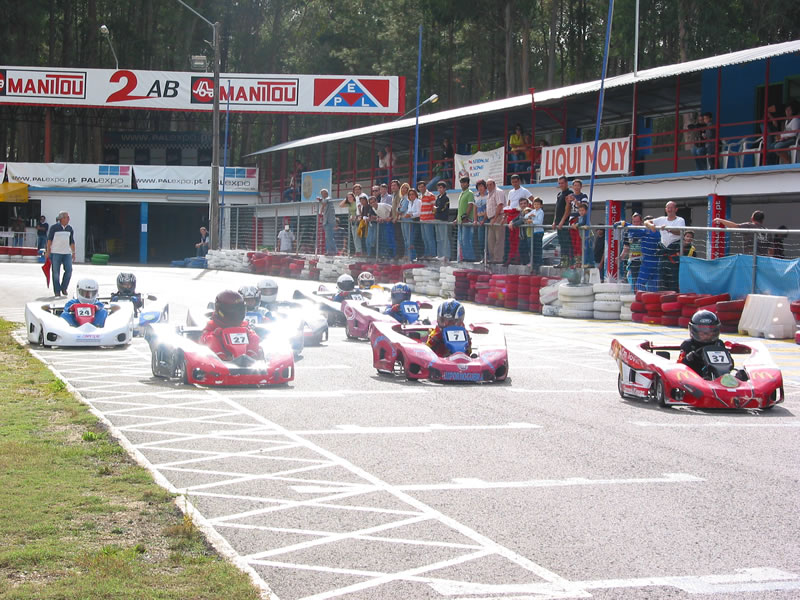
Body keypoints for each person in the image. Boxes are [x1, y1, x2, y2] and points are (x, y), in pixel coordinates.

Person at [200, 290, 262, 360]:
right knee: (211, 338)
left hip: (246, 357)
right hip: (221, 357)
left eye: (238, 308)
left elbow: (253, 334)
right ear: (220, 309)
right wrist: (215, 333)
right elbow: (203, 338)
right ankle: (221, 358)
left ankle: (251, 357)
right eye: (231, 309)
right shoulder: (213, 324)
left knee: (254, 336)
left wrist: (248, 332)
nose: (235, 312)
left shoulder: (243, 324)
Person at [645, 201, 685, 292]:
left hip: (674, 254)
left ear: (676, 209)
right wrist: (651, 225)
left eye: (671, 208)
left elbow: (681, 232)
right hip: (663, 255)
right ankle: (663, 300)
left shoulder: (680, 220)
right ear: (665, 209)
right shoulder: (661, 219)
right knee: (662, 279)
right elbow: (646, 221)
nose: (669, 210)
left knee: (673, 279)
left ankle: (673, 300)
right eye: (668, 208)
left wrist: (668, 229)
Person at [678, 309, 725, 376]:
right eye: (702, 331)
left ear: (715, 331)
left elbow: (729, 365)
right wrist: (690, 357)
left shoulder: (719, 344)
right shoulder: (688, 344)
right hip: (693, 377)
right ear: (694, 330)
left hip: (717, 376)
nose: (706, 334)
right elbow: (680, 366)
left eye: (710, 331)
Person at [46, 210, 76, 297]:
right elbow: (49, 240)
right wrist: (48, 251)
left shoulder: (69, 228)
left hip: (67, 253)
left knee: (69, 270)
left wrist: (73, 252)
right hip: (56, 253)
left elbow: (72, 241)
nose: (68, 219)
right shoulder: (54, 228)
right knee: (56, 272)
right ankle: (57, 290)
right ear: (62, 218)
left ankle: (64, 287)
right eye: (67, 217)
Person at [636, 215, 662, 291]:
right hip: (657, 260)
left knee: (640, 283)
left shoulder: (648, 232)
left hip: (648, 260)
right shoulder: (658, 232)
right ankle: (652, 300)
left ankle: (643, 299)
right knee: (653, 284)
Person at [619, 213, 645, 287]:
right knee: (634, 280)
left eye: (637, 222)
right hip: (633, 260)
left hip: (644, 260)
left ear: (641, 221)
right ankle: (636, 294)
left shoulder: (645, 230)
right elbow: (626, 247)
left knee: (643, 280)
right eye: (634, 222)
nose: (636, 224)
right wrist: (621, 257)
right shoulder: (628, 231)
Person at [553, 176, 573, 267]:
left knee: (566, 243)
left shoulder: (569, 193)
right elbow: (557, 209)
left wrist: (562, 221)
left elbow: (568, 209)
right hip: (558, 222)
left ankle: (567, 262)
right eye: (559, 183)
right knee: (561, 243)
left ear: (566, 183)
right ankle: (562, 261)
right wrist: (554, 221)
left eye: (562, 183)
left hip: (564, 223)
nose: (561, 185)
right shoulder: (559, 194)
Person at [485, 179, 506, 264]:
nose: (489, 186)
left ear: (494, 184)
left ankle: (498, 259)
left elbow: (500, 205)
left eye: (490, 184)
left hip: (499, 217)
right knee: (491, 240)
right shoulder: (488, 194)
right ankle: (492, 258)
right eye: (487, 185)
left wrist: (495, 218)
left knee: (499, 239)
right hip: (491, 218)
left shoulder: (498, 192)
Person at [455, 176, 475, 262]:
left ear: (468, 184)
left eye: (464, 182)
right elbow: (460, 208)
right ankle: (463, 257)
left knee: (466, 239)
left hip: (467, 220)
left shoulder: (470, 193)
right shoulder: (461, 193)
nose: (462, 184)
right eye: (461, 182)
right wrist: (457, 219)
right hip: (460, 221)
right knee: (461, 241)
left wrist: (465, 216)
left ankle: (469, 258)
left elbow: (470, 205)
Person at [509, 196, 532, 265]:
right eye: (521, 204)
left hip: (528, 235)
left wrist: (513, 224)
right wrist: (511, 222)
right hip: (522, 236)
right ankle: (524, 265)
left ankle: (529, 264)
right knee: (521, 250)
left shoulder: (529, 212)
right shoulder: (521, 212)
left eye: (524, 203)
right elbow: (517, 218)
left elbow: (522, 220)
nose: (523, 205)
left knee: (529, 251)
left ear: (528, 204)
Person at [418, 180, 437, 259]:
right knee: (424, 238)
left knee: (430, 238)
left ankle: (432, 254)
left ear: (425, 187)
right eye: (419, 187)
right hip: (422, 219)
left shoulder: (430, 195)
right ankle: (427, 254)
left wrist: (432, 216)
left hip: (428, 220)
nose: (421, 188)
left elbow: (435, 207)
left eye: (422, 186)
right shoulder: (420, 196)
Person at [434, 181, 451, 260]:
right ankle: (440, 255)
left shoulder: (446, 198)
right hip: (437, 219)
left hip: (443, 220)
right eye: (438, 188)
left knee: (444, 238)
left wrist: (436, 209)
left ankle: (446, 255)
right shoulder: (438, 198)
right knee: (438, 239)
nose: (439, 189)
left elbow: (442, 208)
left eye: (441, 188)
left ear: (444, 189)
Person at [572, 202, 593, 266]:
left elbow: (582, 223)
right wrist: (573, 224)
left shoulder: (586, 216)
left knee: (589, 250)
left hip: (589, 236)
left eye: (583, 210)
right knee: (584, 249)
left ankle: (590, 263)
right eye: (580, 211)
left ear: (586, 211)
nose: (581, 212)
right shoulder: (579, 217)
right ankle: (585, 262)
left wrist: (577, 225)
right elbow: (576, 222)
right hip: (583, 236)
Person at [319, 189, 338, 256]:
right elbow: (323, 206)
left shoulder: (328, 198)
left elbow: (324, 202)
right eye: (322, 194)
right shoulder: (325, 201)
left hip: (329, 221)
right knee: (327, 237)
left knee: (329, 237)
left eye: (324, 193)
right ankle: (330, 250)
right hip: (326, 221)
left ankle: (333, 250)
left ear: (326, 193)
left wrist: (320, 200)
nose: (322, 195)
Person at [473, 179, 488, 261]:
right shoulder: (476, 196)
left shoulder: (488, 195)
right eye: (478, 186)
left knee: (487, 239)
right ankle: (482, 257)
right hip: (479, 218)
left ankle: (488, 257)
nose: (480, 188)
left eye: (481, 186)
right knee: (480, 239)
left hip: (486, 218)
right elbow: (475, 208)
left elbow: (488, 208)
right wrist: (475, 220)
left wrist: (484, 219)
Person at [529, 197, 545, 272]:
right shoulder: (533, 211)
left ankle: (538, 263)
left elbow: (539, 222)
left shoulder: (540, 212)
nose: (536, 206)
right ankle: (534, 263)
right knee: (534, 249)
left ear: (541, 205)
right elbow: (526, 216)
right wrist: (530, 216)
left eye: (538, 204)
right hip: (534, 232)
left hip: (539, 232)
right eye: (535, 204)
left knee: (538, 248)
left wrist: (532, 221)